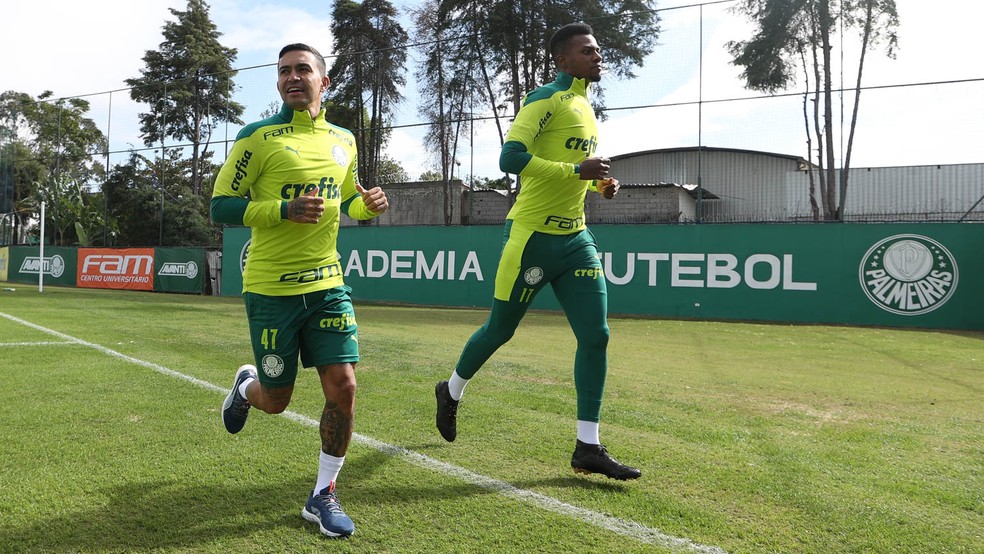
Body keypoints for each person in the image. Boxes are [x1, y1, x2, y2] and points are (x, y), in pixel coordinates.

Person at [435, 22, 640, 481]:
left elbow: (576, 171)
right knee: (500, 330)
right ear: (563, 60)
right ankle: (451, 390)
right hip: (532, 238)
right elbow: (509, 159)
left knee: (597, 336)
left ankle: (588, 446)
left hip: (577, 239)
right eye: (588, 51)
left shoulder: (585, 106)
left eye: (598, 50)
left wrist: (599, 184)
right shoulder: (544, 99)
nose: (598, 57)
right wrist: (576, 170)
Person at [213, 43, 389, 538]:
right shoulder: (257, 138)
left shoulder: (343, 139)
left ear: (323, 81)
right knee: (277, 400)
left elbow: (349, 199)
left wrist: (368, 204)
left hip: (328, 283)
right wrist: (281, 210)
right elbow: (221, 205)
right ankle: (246, 388)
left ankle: (322, 495)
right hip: (271, 289)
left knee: (344, 386)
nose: (293, 77)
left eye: (303, 69)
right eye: (285, 71)